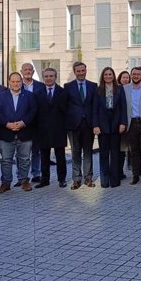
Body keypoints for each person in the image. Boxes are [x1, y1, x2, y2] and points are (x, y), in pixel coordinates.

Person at [0, 72, 37, 193]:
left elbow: (33, 111)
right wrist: (7, 124)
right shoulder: (1, 96)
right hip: (6, 133)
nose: (16, 84)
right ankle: (6, 183)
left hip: (25, 132)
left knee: (25, 159)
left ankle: (24, 181)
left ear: (21, 82)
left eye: (18, 81)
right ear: (9, 82)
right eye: (13, 81)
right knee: (6, 160)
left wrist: (23, 123)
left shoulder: (29, 96)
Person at [92, 67, 127, 188]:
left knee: (115, 153)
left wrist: (123, 123)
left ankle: (115, 180)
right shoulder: (98, 90)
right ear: (103, 76)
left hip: (116, 124)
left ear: (113, 75)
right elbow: (95, 109)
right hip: (102, 125)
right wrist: (95, 125)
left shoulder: (120, 89)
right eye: (105, 74)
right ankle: (104, 180)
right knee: (104, 154)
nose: (108, 76)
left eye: (110, 74)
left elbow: (123, 107)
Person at [34, 67, 69, 188]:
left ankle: (62, 179)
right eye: (46, 76)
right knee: (44, 156)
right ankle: (45, 179)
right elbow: (36, 112)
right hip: (43, 129)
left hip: (59, 129)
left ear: (55, 77)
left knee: (60, 156)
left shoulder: (63, 92)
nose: (48, 78)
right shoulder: (38, 93)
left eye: (51, 76)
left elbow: (66, 111)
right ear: (43, 78)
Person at [64, 61, 97, 189]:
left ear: (86, 70)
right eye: (78, 71)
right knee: (75, 153)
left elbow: (95, 106)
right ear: (74, 72)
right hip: (73, 125)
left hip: (88, 125)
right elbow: (65, 106)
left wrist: (95, 124)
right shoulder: (68, 86)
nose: (81, 73)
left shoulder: (93, 86)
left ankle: (88, 178)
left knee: (88, 152)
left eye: (83, 70)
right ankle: (76, 179)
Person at [21, 62, 44, 184]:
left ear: (33, 72)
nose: (28, 71)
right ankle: (21, 176)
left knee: (36, 150)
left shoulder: (41, 86)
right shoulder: (17, 85)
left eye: (30, 69)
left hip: (37, 124)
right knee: (22, 152)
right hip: (22, 124)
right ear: (21, 71)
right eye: (25, 69)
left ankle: (36, 173)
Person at [117, 70, 131, 178]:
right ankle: (118, 171)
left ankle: (125, 169)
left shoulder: (132, 89)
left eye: (127, 77)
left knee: (127, 149)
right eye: (123, 77)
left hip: (130, 123)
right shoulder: (117, 89)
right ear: (120, 78)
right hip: (119, 123)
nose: (125, 79)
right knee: (119, 150)